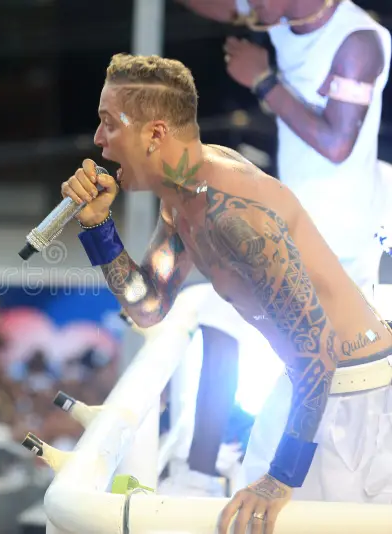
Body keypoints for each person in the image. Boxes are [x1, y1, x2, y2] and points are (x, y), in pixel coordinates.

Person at [62, 53, 392, 533]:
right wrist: (98, 228)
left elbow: (318, 352)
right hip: (308, 387)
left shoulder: (236, 215)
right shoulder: (183, 196)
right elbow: (149, 305)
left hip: (357, 400)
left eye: (109, 123)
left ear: (155, 133)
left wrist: (281, 478)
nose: (97, 139)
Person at [170, 0, 392, 496]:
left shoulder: (359, 42)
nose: (247, 4)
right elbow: (226, 9)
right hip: (298, 213)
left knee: (239, 324)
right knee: (245, 327)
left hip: (338, 232)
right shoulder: (283, 15)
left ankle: (204, 478)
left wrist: (263, 79)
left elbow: (337, 143)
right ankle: (226, 473)